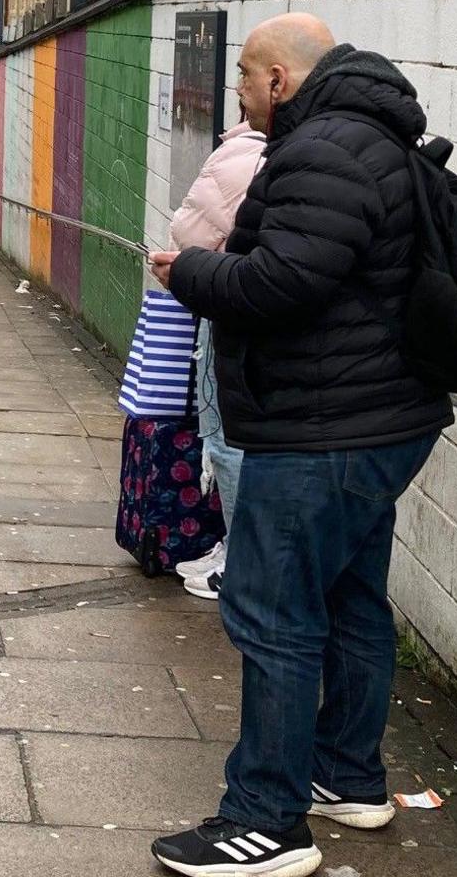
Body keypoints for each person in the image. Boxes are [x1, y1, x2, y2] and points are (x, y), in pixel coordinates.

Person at [144, 13, 453, 877]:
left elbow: (282, 283)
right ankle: (346, 777)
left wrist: (191, 272)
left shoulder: (322, 151)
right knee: (352, 601)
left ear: (281, 78)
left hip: (322, 428)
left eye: (246, 76)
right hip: (375, 421)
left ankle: (267, 821)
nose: (237, 94)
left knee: (272, 615)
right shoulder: (372, 137)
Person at [166, 114, 266, 602]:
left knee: (223, 436)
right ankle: (233, 546)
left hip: (227, 308)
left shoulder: (242, 153)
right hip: (255, 312)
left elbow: (188, 231)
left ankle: (238, 558)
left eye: (245, 77)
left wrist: (184, 268)